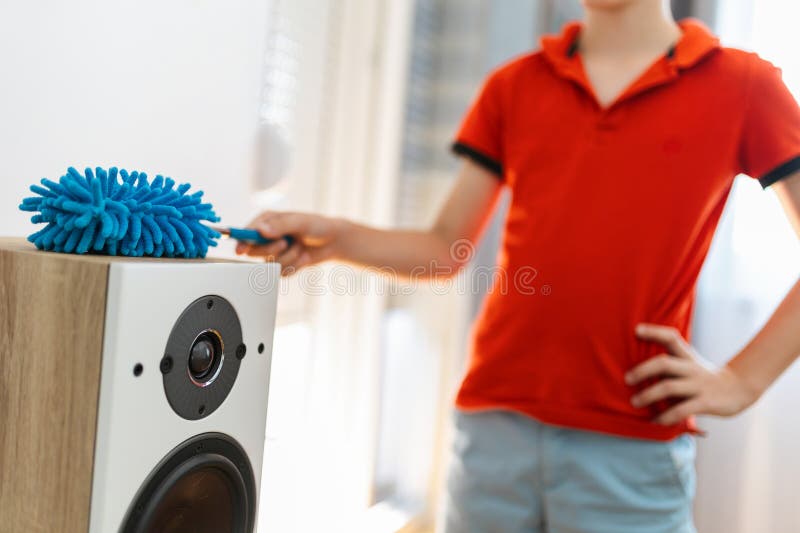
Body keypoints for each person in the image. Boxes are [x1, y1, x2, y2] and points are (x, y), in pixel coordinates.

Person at [239, 0, 800, 531]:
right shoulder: (514, 86)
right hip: (491, 437)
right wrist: (335, 240)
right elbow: (445, 249)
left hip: (631, 446)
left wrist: (741, 381)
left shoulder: (745, 87)